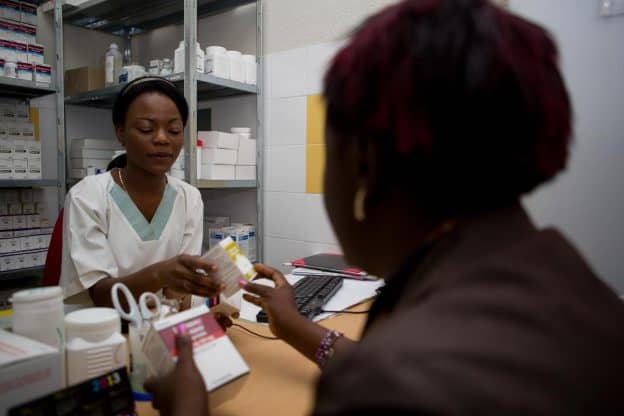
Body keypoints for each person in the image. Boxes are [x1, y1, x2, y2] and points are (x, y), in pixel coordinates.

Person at [145, 0, 624, 414]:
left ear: (365, 167)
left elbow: (395, 380)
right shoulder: (578, 286)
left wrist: (188, 407)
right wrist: (295, 327)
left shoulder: (394, 379)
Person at [60, 76, 223, 308]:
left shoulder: (189, 198)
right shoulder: (88, 196)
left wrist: (211, 291)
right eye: (146, 128)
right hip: (103, 326)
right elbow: (100, 295)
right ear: (121, 133)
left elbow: (178, 291)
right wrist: (161, 274)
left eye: (174, 130)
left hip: (162, 324)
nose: (162, 138)